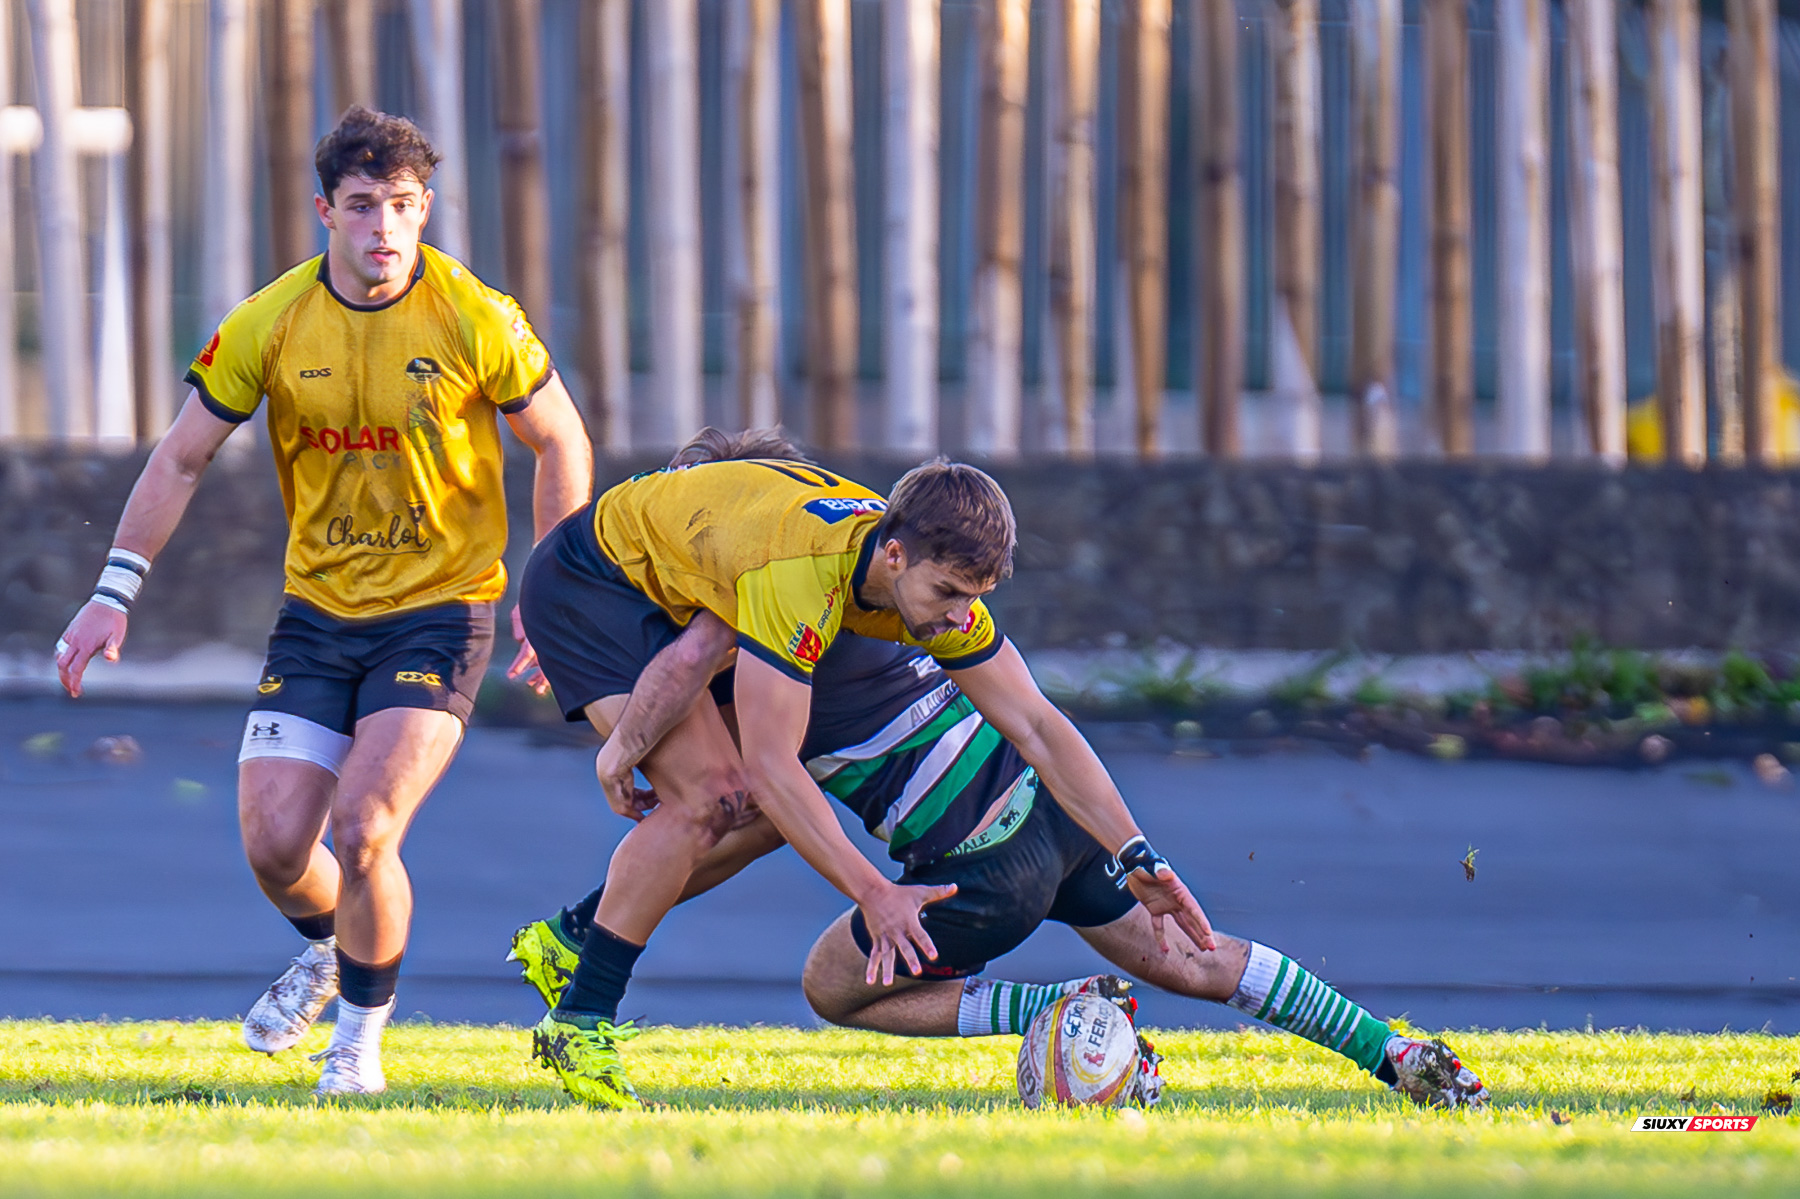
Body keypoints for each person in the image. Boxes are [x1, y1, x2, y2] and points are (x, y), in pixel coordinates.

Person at [52, 106, 592, 1094]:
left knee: (366, 827)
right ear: (324, 212)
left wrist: (555, 592)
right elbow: (180, 457)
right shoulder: (272, 320)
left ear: (424, 207)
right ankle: (335, 944)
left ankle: (355, 1048)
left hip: (443, 607)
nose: (381, 227)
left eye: (399, 205)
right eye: (360, 206)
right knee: (273, 844)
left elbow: (561, 438)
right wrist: (110, 591)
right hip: (317, 613)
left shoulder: (477, 317)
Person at [510, 623, 1491, 1111]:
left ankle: (1050, 1014)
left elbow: (718, 792)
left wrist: (599, 683)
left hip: (983, 865)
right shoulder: (872, 593)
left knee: (829, 985)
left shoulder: (751, 621)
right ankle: (1392, 1052)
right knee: (1195, 957)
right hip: (1056, 812)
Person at [515, 428, 1216, 1108]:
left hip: (670, 590)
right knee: (715, 796)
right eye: (946, 592)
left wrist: (1134, 853)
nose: (959, 615)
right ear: (894, 556)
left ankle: (572, 936)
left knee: (765, 813)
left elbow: (1038, 724)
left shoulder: (906, 567)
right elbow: (730, 708)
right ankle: (578, 1021)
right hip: (588, 587)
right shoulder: (797, 575)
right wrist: (875, 890)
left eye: (973, 597)